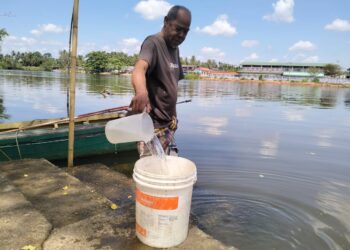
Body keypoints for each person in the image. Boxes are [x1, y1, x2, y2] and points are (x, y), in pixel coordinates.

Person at [130, 5, 191, 157]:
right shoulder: (153, 43)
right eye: (178, 29)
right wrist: (141, 92)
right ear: (165, 21)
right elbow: (140, 68)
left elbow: (172, 85)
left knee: (171, 172)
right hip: (151, 128)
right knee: (151, 176)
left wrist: (174, 115)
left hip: (168, 125)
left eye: (185, 31)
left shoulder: (175, 49)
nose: (181, 35)